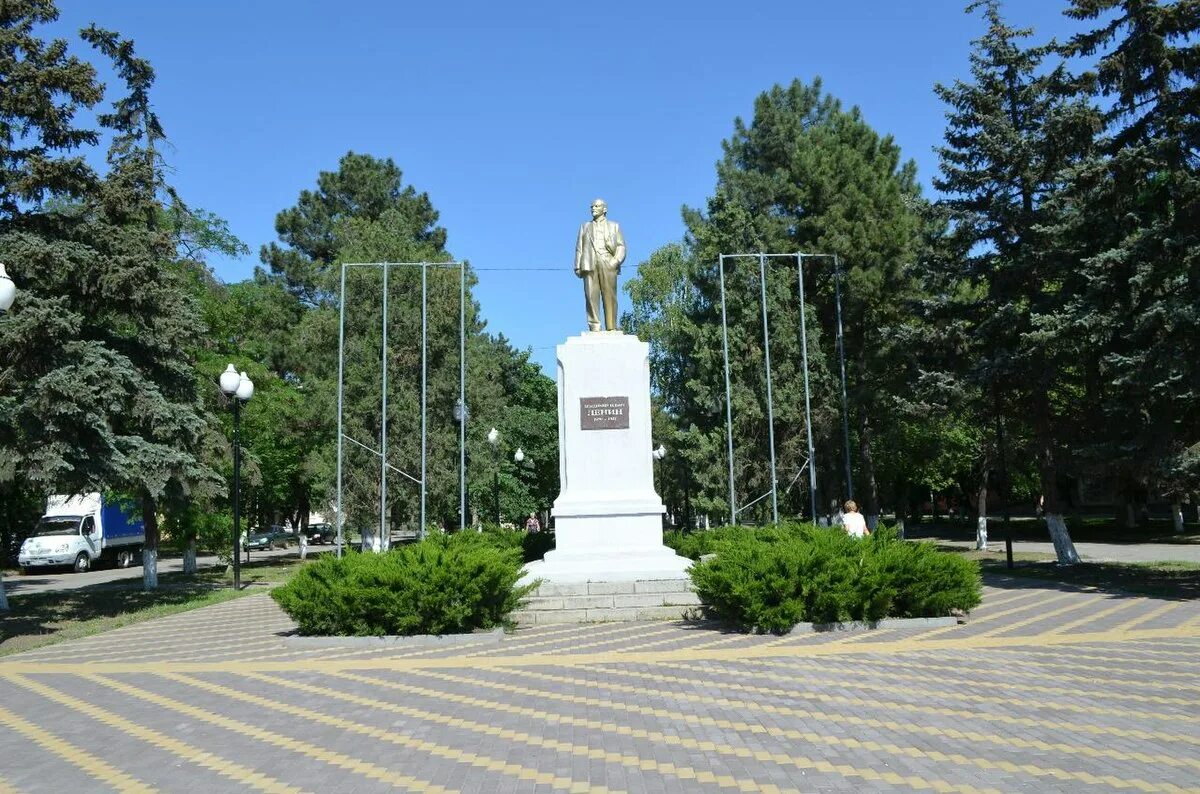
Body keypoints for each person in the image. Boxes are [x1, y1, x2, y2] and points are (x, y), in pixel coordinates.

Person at [574, 198, 626, 332]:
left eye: (597, 206)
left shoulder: (614, 226)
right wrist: (577, 265)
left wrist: (615, 261)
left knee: (609, 295)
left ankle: (611, 326)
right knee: (590, 295)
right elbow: (579, 247)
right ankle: (594, 326)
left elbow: (621, 246)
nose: (593, 209)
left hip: (607, 261)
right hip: (589, 263)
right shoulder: (585, 226)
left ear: (604, 209)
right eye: (592, 206)